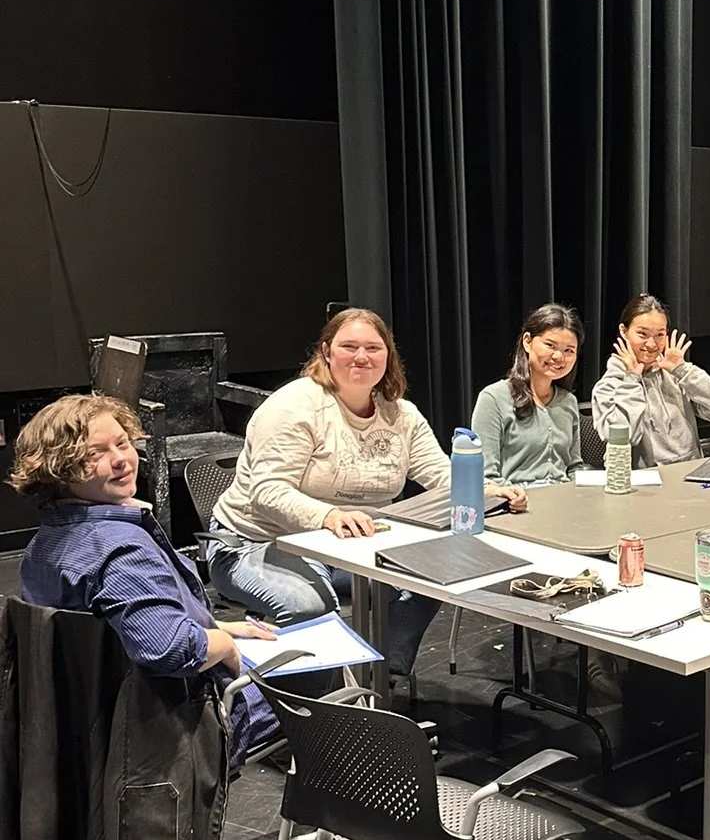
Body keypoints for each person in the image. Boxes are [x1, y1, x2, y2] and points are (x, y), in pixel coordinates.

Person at [11, 395, 280, 766]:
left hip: (87, 726)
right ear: (60, 470)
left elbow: (114, 628)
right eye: (95, 454)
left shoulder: (42, 545)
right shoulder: (121, 552)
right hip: (177, 726)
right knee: (325, 683)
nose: (121, 459)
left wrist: (218, 626)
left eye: (122, 443)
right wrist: (225, 647)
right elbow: (169, 649)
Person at [206, 308, 467, 675]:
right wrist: (328, 516)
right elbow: (267, 491)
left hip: (353, 545)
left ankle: (378, 677)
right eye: (349, 346)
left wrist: (488, 491)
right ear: (326, 352)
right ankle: (319, 708)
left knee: (435, 574)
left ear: (388, 355)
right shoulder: (294, 406)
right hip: (257, 542)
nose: (361, 357)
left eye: (373, 348)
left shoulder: (400, 414)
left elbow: (440, 473)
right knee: (309, 605)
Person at [590, 293, 710, 465]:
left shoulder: (674, 374)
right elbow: (622, 437)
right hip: (644, 482)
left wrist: (683, 370)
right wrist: (631, 380)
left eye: (659, 335)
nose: (652, 344)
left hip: (690, 472)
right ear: (624, 331)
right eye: (642, 334)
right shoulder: (609, 385)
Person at [472, 304, 585, 486]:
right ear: (527, 341)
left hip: (564, 503)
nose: (559, 357)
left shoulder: (568, 401)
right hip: (516, 504)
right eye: (550, 345)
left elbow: (574, 467)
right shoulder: (493, 398)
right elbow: (486, 477)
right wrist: (512, 496)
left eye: (569, 350)